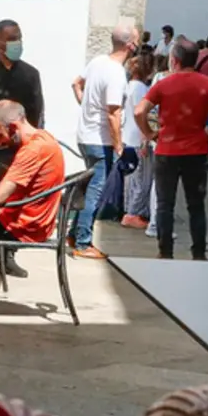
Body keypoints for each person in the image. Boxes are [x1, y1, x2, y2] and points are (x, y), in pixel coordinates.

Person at [134, 39, 208, 260]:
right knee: (196, 205)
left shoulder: (164, 84)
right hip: (196, 150)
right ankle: (198, 253)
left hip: (167, 150)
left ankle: (165, 251)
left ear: (175, 60)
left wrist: (150, 133)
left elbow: (139, 111)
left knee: (164, 205)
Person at [0, 101, 66, 296]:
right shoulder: (44, 139)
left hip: (24, 225)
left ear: (13, 126)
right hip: (33, 218)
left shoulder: (32, 151)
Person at [69, 25, 137, 259]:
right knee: (94, 192)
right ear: (130, 45)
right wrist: (119, 145)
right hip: (101, 141)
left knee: (88, 187)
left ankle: (74, 233)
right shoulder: (116, 73)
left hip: (86, 136)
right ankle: (82, 242)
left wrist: (85, 105)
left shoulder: (98, 62)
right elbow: (112, 114)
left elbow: (76, 83)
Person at [120, 53, 157, 230]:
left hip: (128, 136)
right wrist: (145, 139)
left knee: (132, 178)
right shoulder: (141, 88)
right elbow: (141, 114)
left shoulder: (129, 86)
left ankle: (130, 210)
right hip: (138, 137)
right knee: (142, 178)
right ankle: (133, 213)